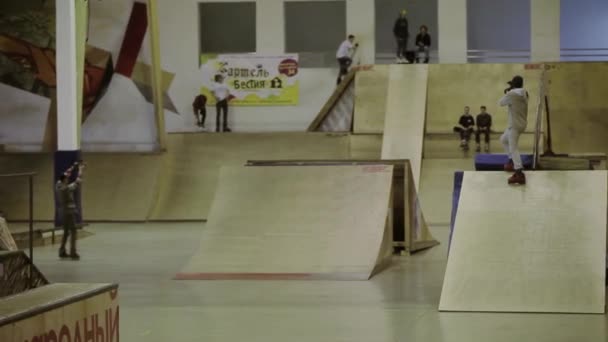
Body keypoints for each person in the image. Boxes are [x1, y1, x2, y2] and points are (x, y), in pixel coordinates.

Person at [500, 75, 529, 185]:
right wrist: (510, 90)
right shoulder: (525, 93)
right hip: (522, 124)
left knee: (513, 148)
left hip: (514, 125)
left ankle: (519, 173)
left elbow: (501, 103)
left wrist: (508, 91)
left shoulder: (512, 94)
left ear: (514, 84)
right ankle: (512, 161)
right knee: (503, 139)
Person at [56, 161, 85, 259]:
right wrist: (80, 169)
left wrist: (73, 166)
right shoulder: (66, 189)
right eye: (67, 179)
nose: (68, 179)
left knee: (66, 232)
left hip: (62, 212)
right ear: (64, 181)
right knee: (73, 231)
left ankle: (62, 251)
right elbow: (78, 181)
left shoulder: (58, 185)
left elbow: (66, 174)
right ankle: (73, 253)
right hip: (69, 212)